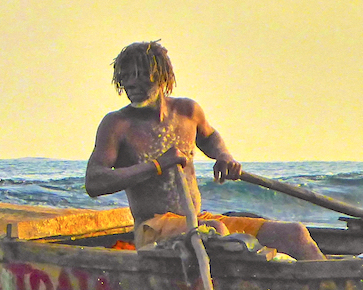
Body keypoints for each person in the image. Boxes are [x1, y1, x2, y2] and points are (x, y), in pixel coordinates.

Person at [85, 41, 324, 261]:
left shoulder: (188, 111)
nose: (131, 84)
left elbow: (209, 137)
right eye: (126, 77)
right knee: (215, 232)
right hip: (153, 228)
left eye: (140, 76)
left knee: (294, 233)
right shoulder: (117, 124)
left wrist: (224, 157)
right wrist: (158, 165)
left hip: (197, 220)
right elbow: (95, 182)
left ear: (161, 76)